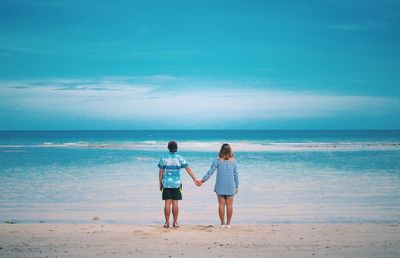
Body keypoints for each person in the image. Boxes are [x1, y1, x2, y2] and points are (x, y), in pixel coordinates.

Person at [157, 140, 200, 228]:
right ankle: (175, 222)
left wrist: (160, 183)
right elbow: (188, 169)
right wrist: (194, 179)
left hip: (166, 184)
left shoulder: (164, 157)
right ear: (176, 148)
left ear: (168, 148)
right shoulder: (180, 158)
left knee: (167, 203)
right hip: (176, 184)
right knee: (175, 203)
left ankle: (167, 222)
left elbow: (160, 172)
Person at [197, 143, 239, 228]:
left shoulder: (217, 160)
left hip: (220, 185)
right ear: (230, 151)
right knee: (230, 205)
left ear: (221, 150)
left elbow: (210, 172)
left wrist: (203, 180)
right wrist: (237, 185)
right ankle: (228, 224)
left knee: (221, 205)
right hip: (231, 186)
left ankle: (222, 224)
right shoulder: (234, 161)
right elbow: (236, 175)